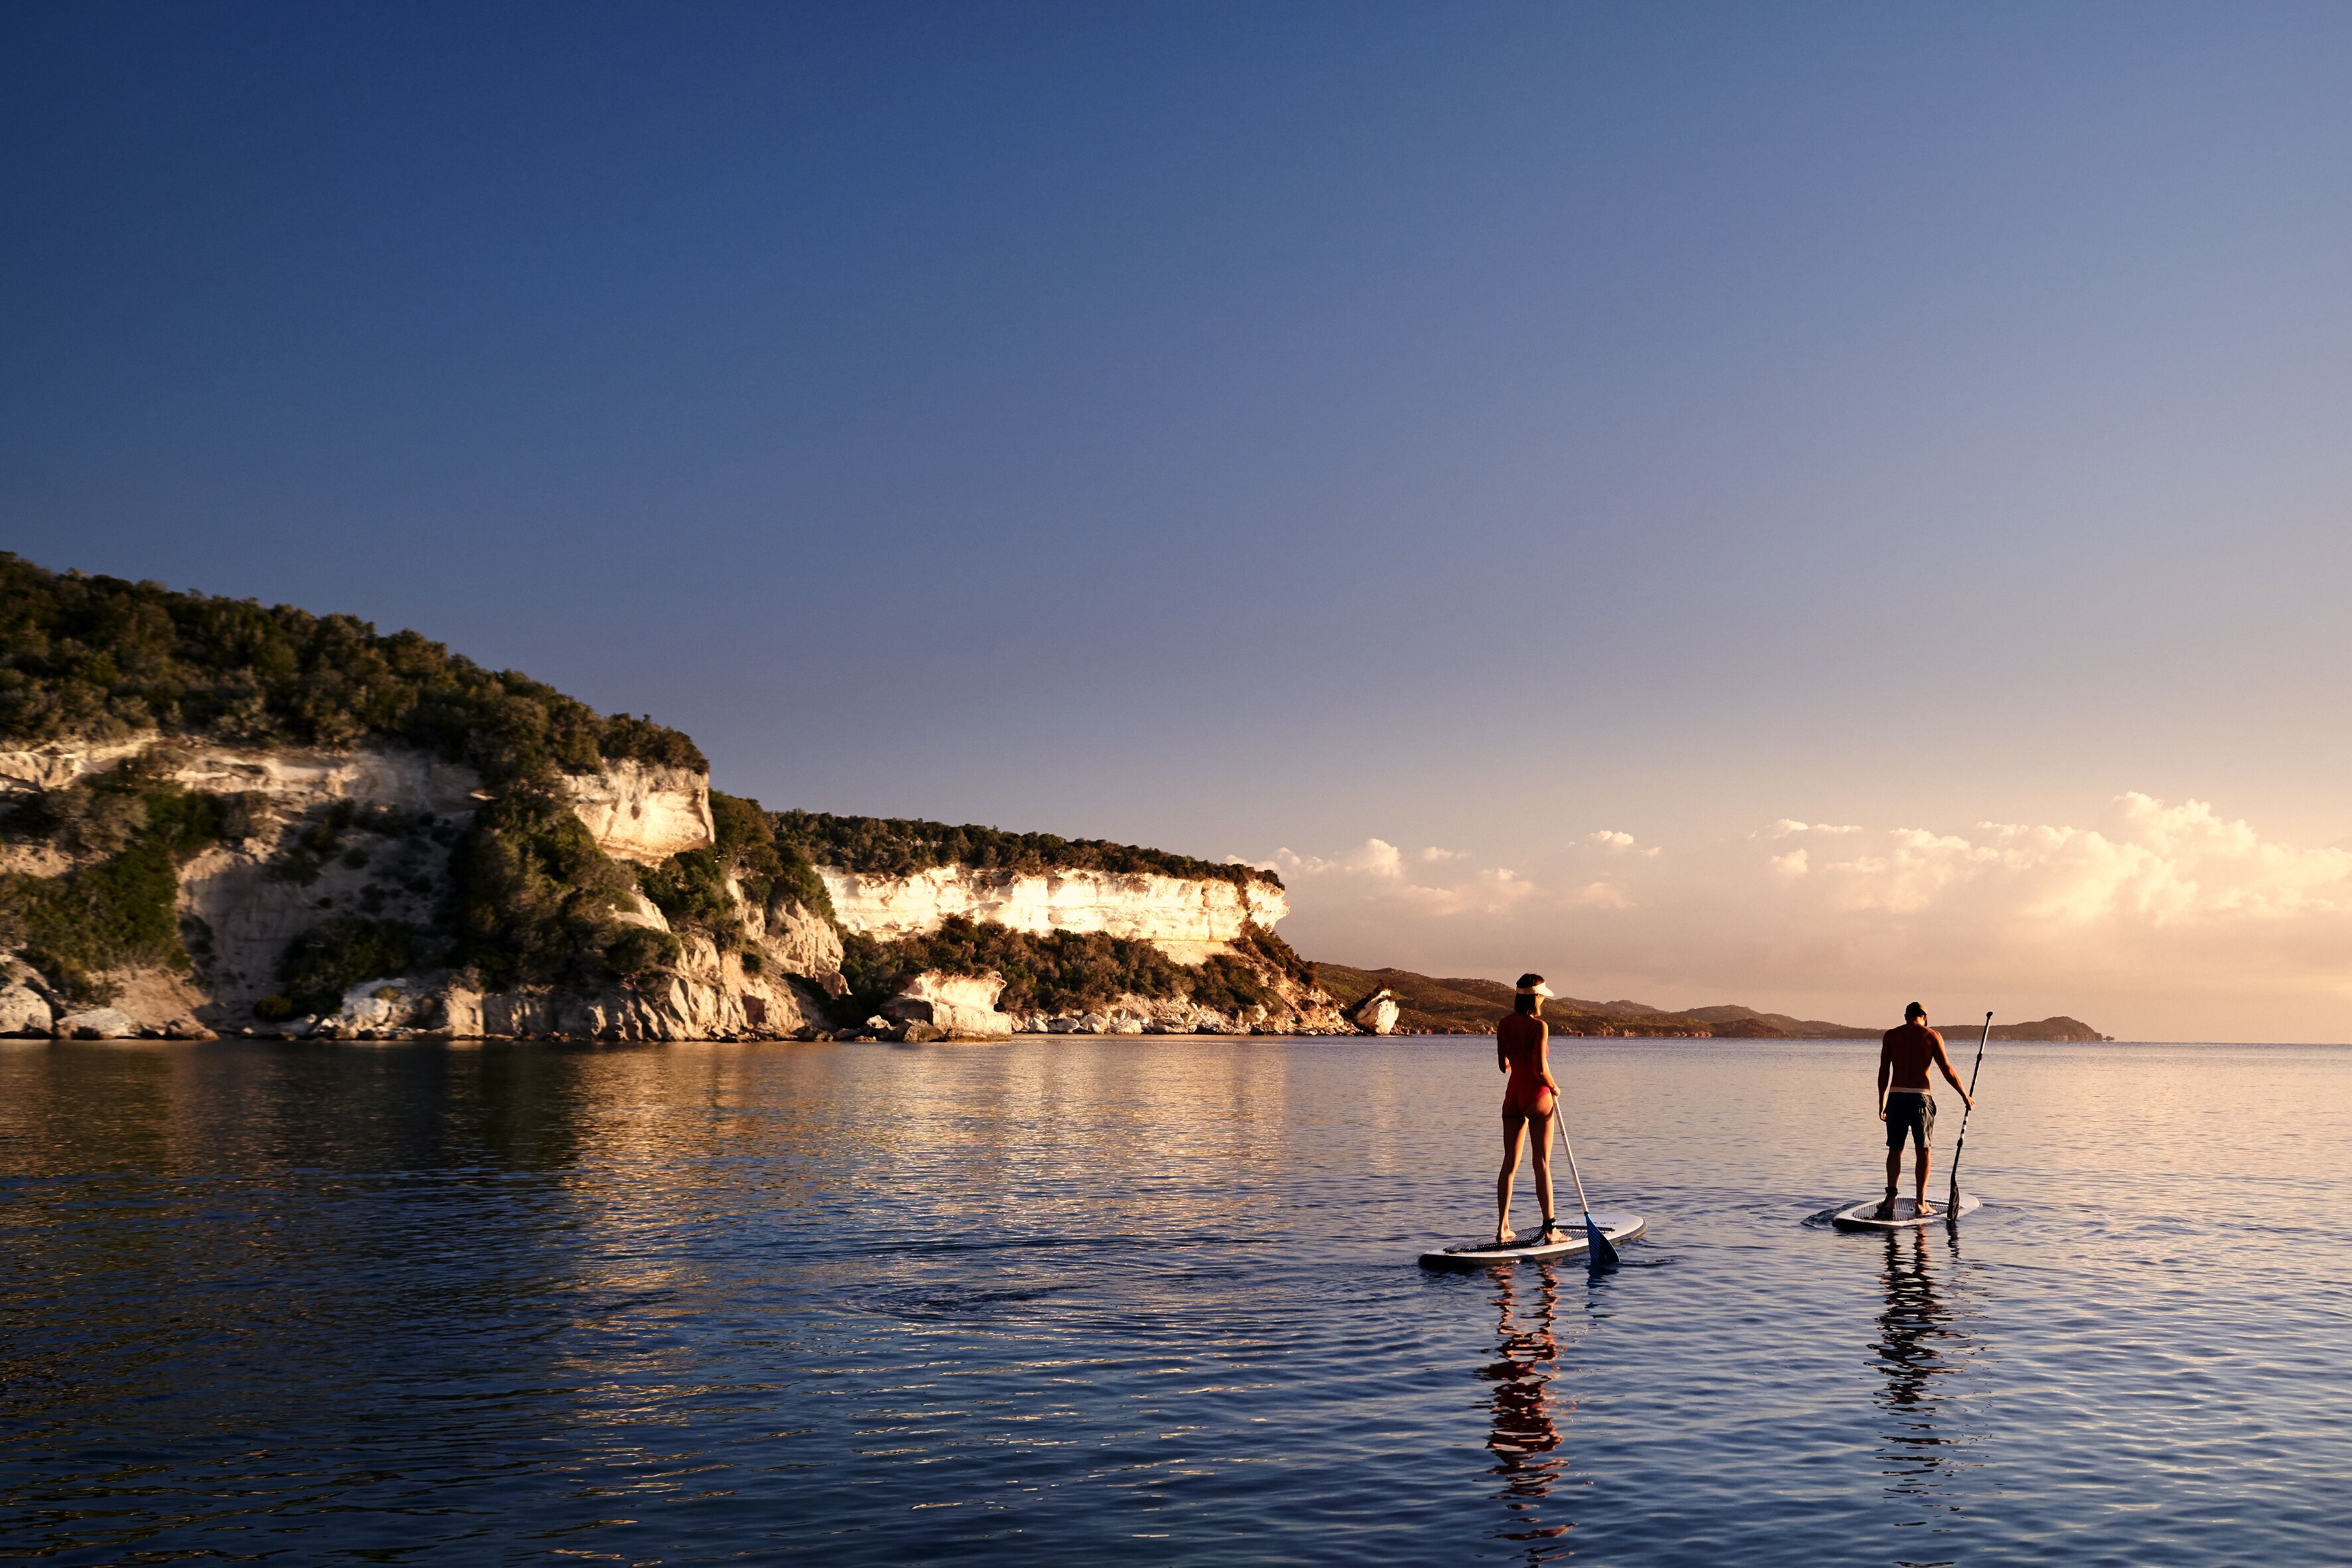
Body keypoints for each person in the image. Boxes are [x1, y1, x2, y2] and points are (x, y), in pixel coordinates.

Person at [1876, 1002, 1976, 1218]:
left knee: (1896, 1149)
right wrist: (1964, 1095)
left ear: (1906, 1016)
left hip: (1896, 1096)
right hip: (1921, 1097)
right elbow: (1946, 1069)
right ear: (1925, 1016)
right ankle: (1920, 1203)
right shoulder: (1932, 1036)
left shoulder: (1891, 1036)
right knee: (1924, 1150)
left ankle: (1891, 1199)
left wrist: (1882, 1101)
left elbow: (1884, 1070)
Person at [1494, 974, 1565, 1245]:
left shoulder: (1503, 1024)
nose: (1544, 999)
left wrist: (1518, 1059)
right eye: (1543, 995)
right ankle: (1550, 1230)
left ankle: (1503, 1228)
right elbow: (1540, 1069)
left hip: (1513, 1097)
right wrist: (1555, 1088)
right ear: (1536, 997)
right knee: (1543, 1164)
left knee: (1509, 1165)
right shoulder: (1540, 1027)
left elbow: (1504, 1066)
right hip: (1537, 1095)